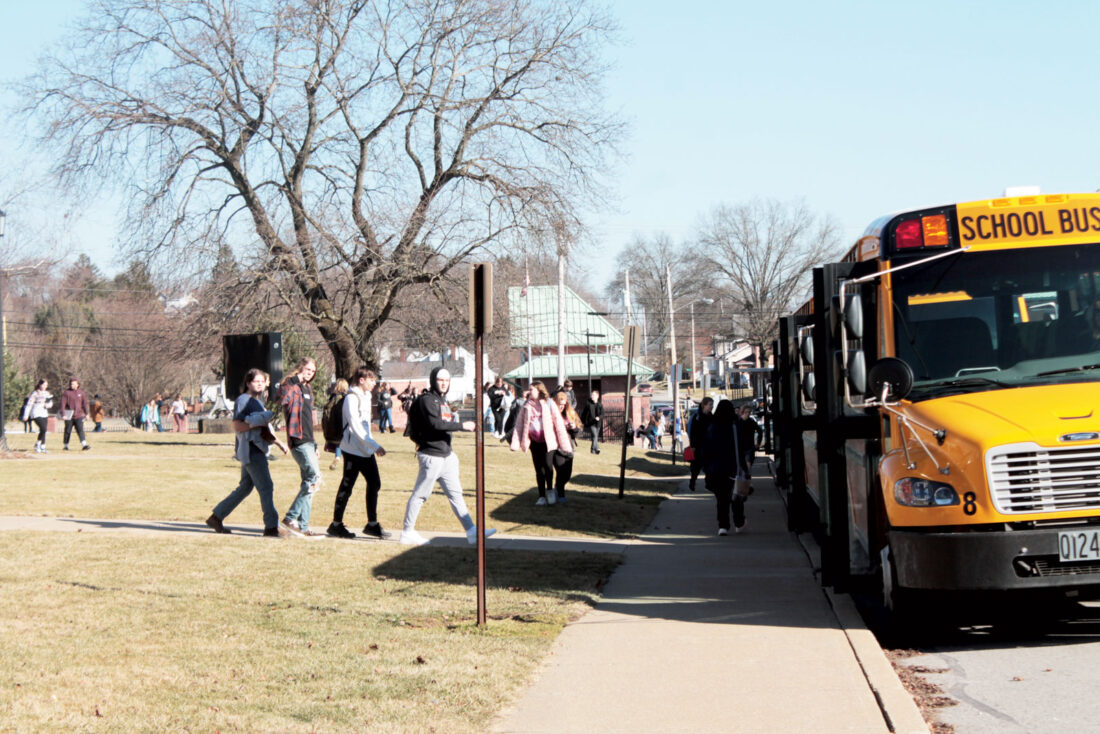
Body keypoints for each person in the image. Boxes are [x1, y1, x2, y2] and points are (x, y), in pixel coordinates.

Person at [400, 367, 496, 546]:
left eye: (447, 380)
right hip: (431, 455)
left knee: (456, 494)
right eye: (440, 379)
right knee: (421, 494)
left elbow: (442, 422)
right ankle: (407, 531)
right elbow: (435, 424)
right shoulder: (427, 400)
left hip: (446, 456)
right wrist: (461, 426)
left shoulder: (441, 400)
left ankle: (471, 531)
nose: (444, 383)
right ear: (433, 380)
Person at [206, 368, 290, 537]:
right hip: (251, 450)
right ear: (247, 383)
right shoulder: (243, 400)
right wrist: (255, 423)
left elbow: (263, 429)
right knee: (266, 487)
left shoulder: (258, 402)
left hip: (256, 448)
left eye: (261, 381)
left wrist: (279, 443)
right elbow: (237, 426)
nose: (259, 384)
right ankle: (271, 527)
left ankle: (216, 517)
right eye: (256, 381)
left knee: (245, 487)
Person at [328, 367, 391, 540]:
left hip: (365, 450)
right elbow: (355, 426)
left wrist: (370, 446)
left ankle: (372, 524)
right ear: (361, 380)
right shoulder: (351, 397)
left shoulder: (367, 396)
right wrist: (375, 445)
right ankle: (336, 525)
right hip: (352, 450)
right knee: (347, 487)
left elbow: (365, 426)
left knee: (375, 484)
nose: (374, 384)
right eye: (371, 380)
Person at [279, 357, 324, 537]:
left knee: (310, 484)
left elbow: (308, 418)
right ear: (299, 368)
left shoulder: (308, 389)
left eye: (312, 371)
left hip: (308, 440)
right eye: (307, 370)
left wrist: (315, 445)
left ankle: (303, 526)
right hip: (297, 439)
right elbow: (281, 399)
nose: (310, 374)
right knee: (314, 478)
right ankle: (290, 518)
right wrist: (296, 378)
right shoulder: (290, 385)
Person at [509, 381, 573, 506]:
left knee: (548, 467)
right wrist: (515, 443)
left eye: (532, 389)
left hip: (548, 442)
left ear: (539, 390)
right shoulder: (526, 406)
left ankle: (550, 490)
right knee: (539, 469)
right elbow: (519, 425)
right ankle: (541, 496)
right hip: (534, 442)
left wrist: (565, 445)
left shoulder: (549, 404)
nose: (529, 391)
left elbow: (559, 424)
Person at [700, 400, 741, 535]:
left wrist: (706, 467)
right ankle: (738, 520)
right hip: (732, 467)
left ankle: (723, 525)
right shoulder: (735, 426)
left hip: (716, 468)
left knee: (721, 498)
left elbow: (706, 449)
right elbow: (741, 447)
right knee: (734, 494)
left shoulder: (713, 427)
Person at [549, 389, 580, 504]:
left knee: (567, 475)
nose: (561, 407)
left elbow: (578, 430)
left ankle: (557, 487)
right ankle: (561, 495)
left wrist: (574, 428)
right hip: (556, 448)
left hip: (569, 447)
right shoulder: (551, 414)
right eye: (559, 404)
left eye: (563, 404)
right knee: (561, 471)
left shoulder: (570, 413)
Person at [687, 397, 714, 492]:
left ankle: (708, 484)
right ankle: (692, 482)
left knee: (709, 466)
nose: (712, 407)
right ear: (704, 405)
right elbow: (693, 432)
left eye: (712, 405)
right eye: (710, 404)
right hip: (698, 446)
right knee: (696, 467)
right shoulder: (697, 417)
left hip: (709, 446)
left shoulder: (711, 417)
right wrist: (693, 446)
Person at [323, 379, 349, 470]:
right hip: (342, 424)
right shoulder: (346, 398)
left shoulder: (332, 397)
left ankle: (337, 457)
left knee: (338, 443)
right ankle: (345, 460)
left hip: (332, 426)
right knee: (344, 442)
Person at [736, 403, 764, 487]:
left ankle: (747, 481)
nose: (748, 414)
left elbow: (760, 431)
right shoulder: (737, 422)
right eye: (746, 412)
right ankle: (742, 481)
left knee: (748, 465)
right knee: (740, 466)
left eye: (749, 412)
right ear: (742, 412)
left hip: (749, 447)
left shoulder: (751, 422)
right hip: (739, 447)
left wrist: (758, 443)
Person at [60, 377, 91, 451]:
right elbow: (62, 404)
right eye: (71, 384)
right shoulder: (66, 393)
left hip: (79, 415)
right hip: (69, 415)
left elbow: (85, 404)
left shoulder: (81, 393)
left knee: (80, 430)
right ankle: (66, 445)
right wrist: (63, 414)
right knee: (67, 430)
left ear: (78, 384)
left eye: (74, 384)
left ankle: (84, 444)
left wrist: (87, 413)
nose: (72, 385)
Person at [22, 380, 53, 454]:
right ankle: (37, 444)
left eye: (46, 385)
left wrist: (47, 405)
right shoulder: (35, 393)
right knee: (43, 428)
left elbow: (50, 403)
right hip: (36, 412)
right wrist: (26, 415)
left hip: (44, 413)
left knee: (44, 430)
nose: (45, 386)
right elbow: (29, 404)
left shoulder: (47, 393)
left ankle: (43, 446)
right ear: (40, 385)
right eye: (44, 385)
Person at [581, 390, 604, 454]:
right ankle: (596, 448)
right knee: (595, 435)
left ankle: (593, 451)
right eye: (591, 395)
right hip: (591, 423)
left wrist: (599, 417)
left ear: (597, 396)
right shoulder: (588, 404)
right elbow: (584, 413)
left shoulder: (600, 405)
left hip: (598, 423)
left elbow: (603, 414)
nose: (592, 396)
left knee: (595, 437)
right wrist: (581, 421)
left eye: (593, 395)